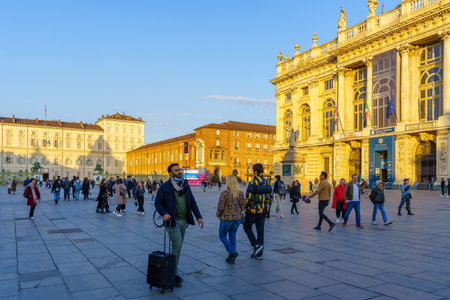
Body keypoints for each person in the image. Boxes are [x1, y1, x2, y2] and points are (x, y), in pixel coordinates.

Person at [155, 163, 204, 288]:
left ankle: (171, 269)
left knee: (178, 246)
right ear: (170, 173)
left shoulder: (185, 185)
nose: (179, 172)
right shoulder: (165, 187)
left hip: (183, 221)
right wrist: (164, 213)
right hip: (172, 221)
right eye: (176, 170)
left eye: (180, 169)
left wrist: (198, 216)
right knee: (177, 244)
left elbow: (192, 202)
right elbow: (158, 202)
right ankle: (173, 274)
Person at [243, 163, 272, 260]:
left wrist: (245, 207)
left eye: (253, 171)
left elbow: (249, 198)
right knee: (260, 231)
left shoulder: (253, 182)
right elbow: (270, 197)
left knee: (246, 226)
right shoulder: (267, 182)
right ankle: (260, 254)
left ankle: (256, 245)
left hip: (253, 210)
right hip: (263, 210)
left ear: (255, 172)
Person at [216, 175, 245, 264]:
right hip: (237, 218)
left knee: (222, 235)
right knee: (232, 236)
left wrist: (218, 214)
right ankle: (231, 257)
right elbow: (243, 206)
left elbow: (221, 206)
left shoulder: (225, 193)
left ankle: (232, 252)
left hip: (227, 218)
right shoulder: (240, 193)